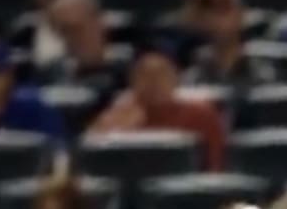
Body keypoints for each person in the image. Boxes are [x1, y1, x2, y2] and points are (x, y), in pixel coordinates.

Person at [88, 43, 229, 171]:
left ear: (175, 79)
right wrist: (120, 128)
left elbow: (217, 165)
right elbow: (91, 154)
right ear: (132, 82)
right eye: (146, 75)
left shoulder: (201, 114)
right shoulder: (120, 113)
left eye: (161, 74)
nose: (154, 82)